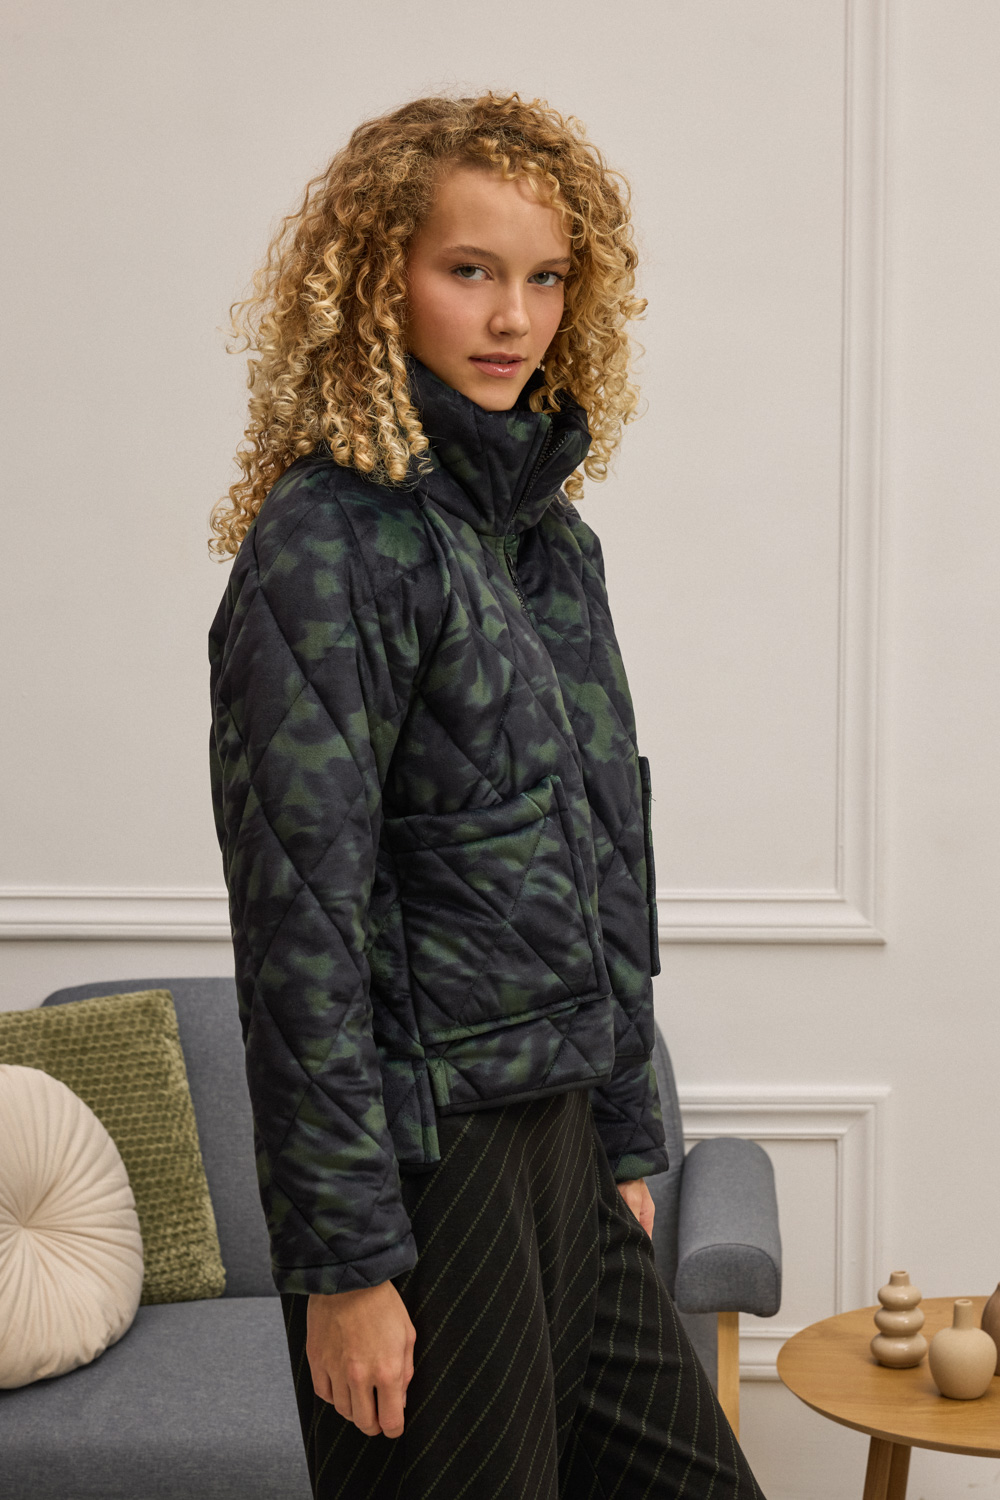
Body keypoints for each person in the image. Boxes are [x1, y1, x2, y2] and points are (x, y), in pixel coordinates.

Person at [208, 90, 765, 1500]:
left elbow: (602, 856)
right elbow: (301, 927)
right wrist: (346, 1268)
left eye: (546, 277)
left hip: (563, 1141)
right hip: (428, 1166)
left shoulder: (549, 544)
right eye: (470, 270)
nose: (514, 317)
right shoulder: (328, 543)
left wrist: (622, 1138)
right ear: (377, 280)